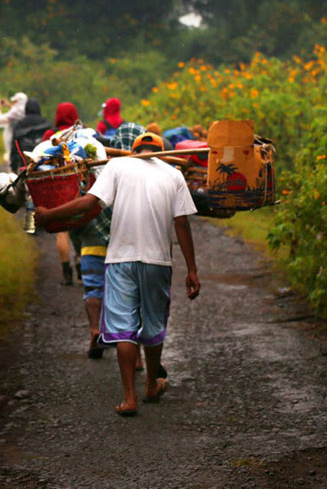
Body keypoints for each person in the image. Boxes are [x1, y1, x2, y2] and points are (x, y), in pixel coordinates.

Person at [34, 132, 200, 417]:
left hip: (120, 259)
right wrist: (192, 270)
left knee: (124, 328)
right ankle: (150, 384)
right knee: (153, 326)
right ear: (160, 151)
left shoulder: (117, 166)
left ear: (133, 150)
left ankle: (129, 398)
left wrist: (50, 215)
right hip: (157, 262)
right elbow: (182, 224)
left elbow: (89, 204)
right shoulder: (173, 175)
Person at [41, 101, 81, 284]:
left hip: (57, 188)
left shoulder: (50, 136)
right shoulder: (80, 134)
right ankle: (81, 262)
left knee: (62, 232)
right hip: (77, 186)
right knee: (80, 226)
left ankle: (66, 272)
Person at [69, 207, 115, 359]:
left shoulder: (86, 188)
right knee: (120, 293)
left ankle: (95, 330)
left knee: (93, 291)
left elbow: (74, 226)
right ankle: (135, 355)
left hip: (90, 246)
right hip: (117, 249)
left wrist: (78, 249)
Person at [9, 97, 51, 172]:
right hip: (44, 167)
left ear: (26, 110)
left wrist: (14, 168)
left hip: (24, 167)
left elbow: (14, 149)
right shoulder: (46, 123)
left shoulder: (19, 125)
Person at [0, 92, 28, 164]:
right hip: (23, 141)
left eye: (15, 102)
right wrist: (9, 105)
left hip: (12, 140)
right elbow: (18, 111)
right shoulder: (26, 110)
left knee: (12, 160)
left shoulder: (16, 112)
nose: (14, 103)